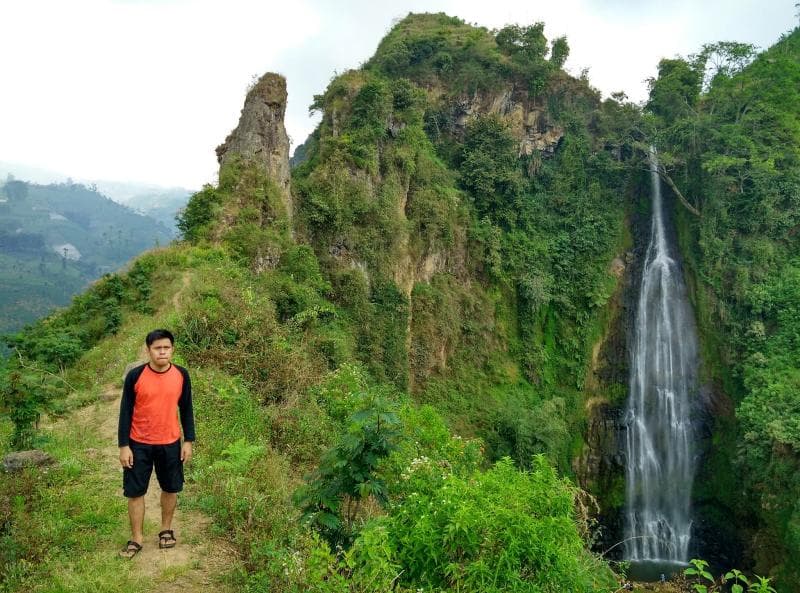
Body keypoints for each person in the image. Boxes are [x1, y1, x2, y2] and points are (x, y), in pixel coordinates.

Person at [117, 329, 195, 558]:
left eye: (166, 348)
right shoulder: (135, 376)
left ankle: (166, 529)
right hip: (138, 443)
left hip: (170, 442)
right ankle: (136, 538)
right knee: (135, 491)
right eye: (157, 348)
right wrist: (124, 445)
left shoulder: (181, 375)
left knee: (170, 488)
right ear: (148, 350)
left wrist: (188, 440)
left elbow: (187, 409)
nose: (162, 352)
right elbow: (125, 412)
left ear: (172, 349)